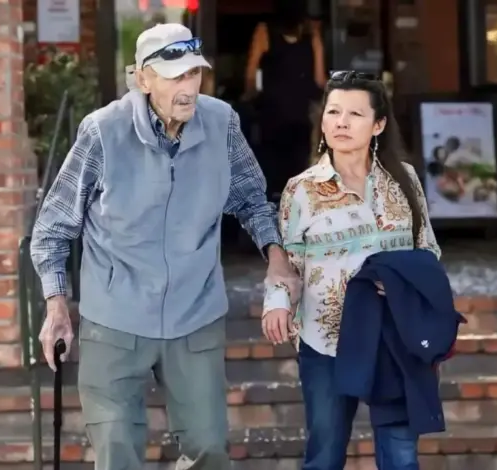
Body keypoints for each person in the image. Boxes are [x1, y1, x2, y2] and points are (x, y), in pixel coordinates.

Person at [31, 23, 300, 470]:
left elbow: (253, 200)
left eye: (194, 73)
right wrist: (56, 306)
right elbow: (54, 227)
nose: (188, 86)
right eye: (175, 75)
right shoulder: (101, 132)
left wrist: (277, 259)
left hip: (194, 314)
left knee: (209, 450)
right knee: (117, 453)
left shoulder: (222, 122)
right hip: (115, 318)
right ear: (142, 79)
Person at [261, 71, 441, 469]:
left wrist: (402, 286)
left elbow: (427, 250)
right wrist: (276, 302)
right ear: (322, 121)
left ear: (378, 125)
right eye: (334, 112)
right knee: (325, 455)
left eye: (355, 114)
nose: (341, 122)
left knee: (400, 456)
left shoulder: (404, 181)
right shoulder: (301, 190)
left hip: (394, 337)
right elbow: (287, 262)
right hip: (327, 341)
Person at [244, 0, 327, 200]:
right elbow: (320, 80)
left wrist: (249, 96)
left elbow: (250, 76)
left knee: (271, 179)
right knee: (298, 180)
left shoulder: (264, 31)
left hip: (272, 117)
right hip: (300, 118)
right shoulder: (311, 35)